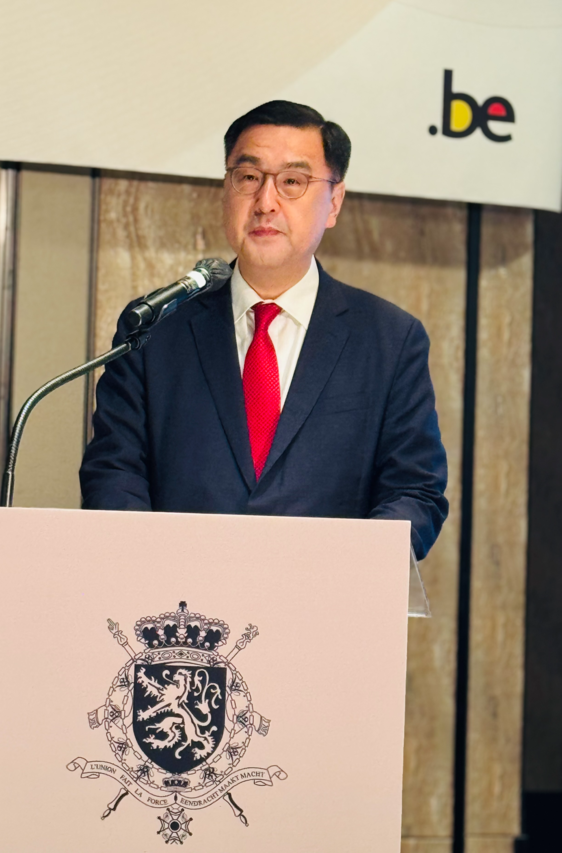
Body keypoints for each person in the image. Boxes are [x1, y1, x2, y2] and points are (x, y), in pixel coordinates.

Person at [79, 101, 448, 559]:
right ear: (226, 190)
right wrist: (151, 567)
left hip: (322, 593)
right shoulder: (155, 328)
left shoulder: (389, 339)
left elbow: (415, 490)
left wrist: (350, 568)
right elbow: (113, 473)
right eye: (249, 177)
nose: (265, 202)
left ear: (334, 202)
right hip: (178, 593)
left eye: (292, 182)